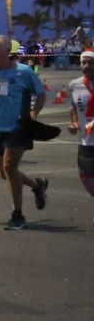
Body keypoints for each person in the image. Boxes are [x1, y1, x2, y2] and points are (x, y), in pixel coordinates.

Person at [0, 34, 50, 230]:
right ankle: (37, 185)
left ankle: (17, 215)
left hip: (18, 126)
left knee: (9, 167)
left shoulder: (24, 72)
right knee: (5, 174)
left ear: (8, 52)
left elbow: (40, 94)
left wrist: (33, 113)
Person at [69, 50, 94, 219]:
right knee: (86, 177)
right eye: (83, 63)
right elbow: (73, 108)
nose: (86, 66)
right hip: (86, 140)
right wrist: (74, 122)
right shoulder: (74, 85)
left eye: (90, 63)